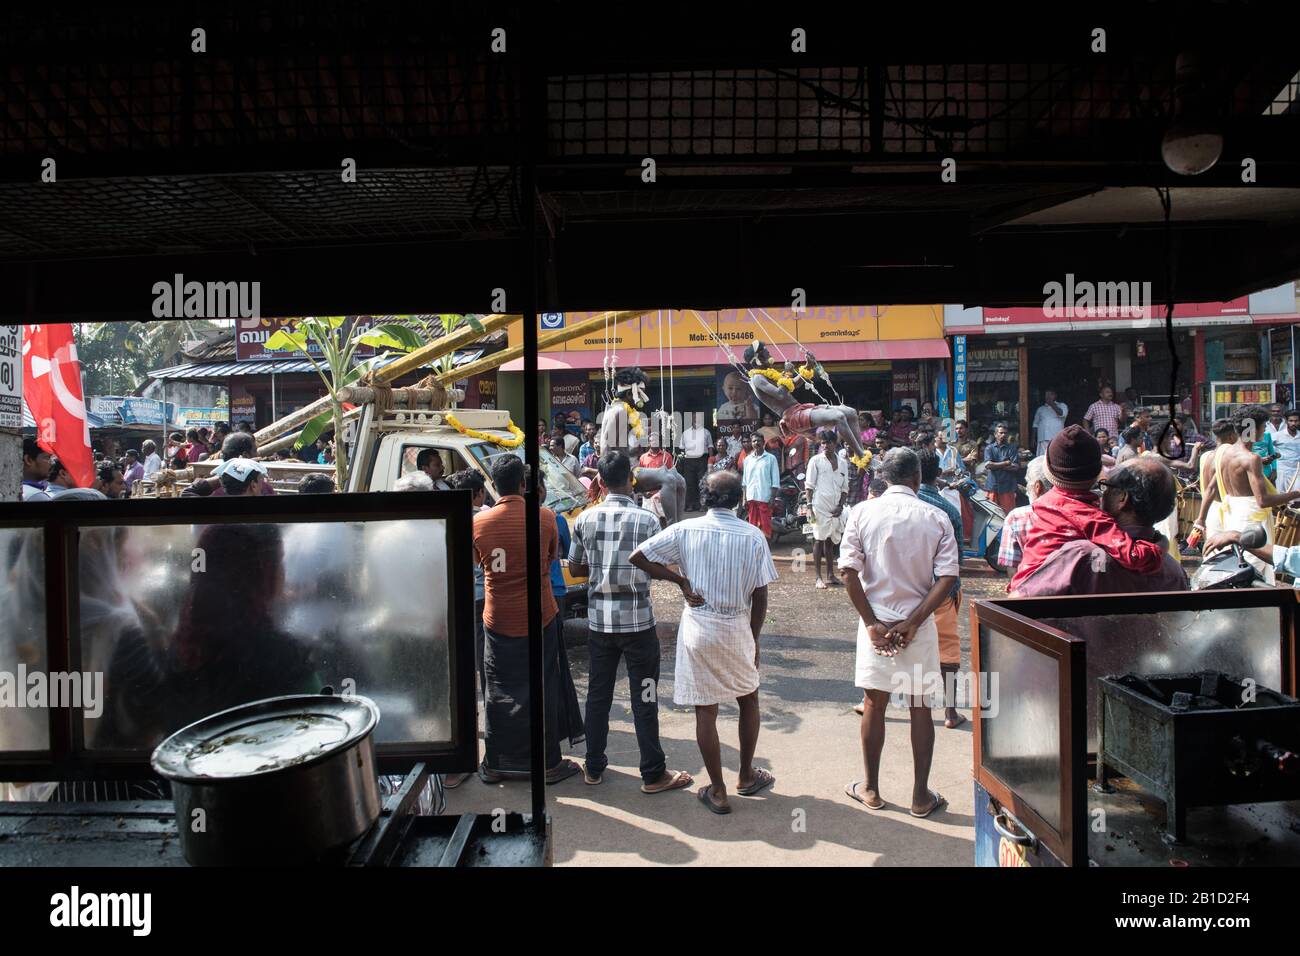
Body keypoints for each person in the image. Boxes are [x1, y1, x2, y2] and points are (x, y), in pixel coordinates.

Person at [630, 470, 779, 815]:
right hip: (737, 626)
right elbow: (760, 596)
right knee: (749, 697)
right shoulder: (753, 536)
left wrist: (679, 581)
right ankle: (745, 775)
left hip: (699, 626)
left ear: (705, 498)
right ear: (739, 499)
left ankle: (719, 790)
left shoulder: (685, 529)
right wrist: (754, 640)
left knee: (705, 708)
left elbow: (638, 556)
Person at [838, 447, 958, 818]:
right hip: (916, 627)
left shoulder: (861, 512)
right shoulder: (935, 516)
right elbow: (948, 577)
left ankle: (871, 788)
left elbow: (848, 572)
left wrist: (873, 623)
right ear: (918, 479)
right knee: (920, 707)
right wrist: (914, 621)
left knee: (875, 703)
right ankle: (920, 797)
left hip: (875, 625)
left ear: (884, 478)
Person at [566, 451, 694, 794]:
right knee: (646, 697)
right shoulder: (647, 521)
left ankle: (593, 768)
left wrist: (600, 565)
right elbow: (661, 563)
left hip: (600, 624)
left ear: (600, 482)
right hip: (638, 624)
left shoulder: (584, 519)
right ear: (631, 478)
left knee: (597, 697)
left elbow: (576, 569)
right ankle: (653, 774)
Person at [473, 455, 584, 784]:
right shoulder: (546, 517)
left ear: (493, 485)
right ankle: (548, 763)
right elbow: (552, 558)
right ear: (524, 485)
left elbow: (480, 565)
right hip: (541, 616)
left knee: (498, 690)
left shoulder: (478, 523)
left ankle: (496, 762)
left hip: (497, 619)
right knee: (544, 687)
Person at [1009, 426, 1169, 593]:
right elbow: (1136, 556)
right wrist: (1161, 543)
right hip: (1043, 595)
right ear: (1097, 473)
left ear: (1049, 472)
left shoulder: (1044, 503)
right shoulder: (1090, 517)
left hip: (1023, 586)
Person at [1014, 458, 1188, 595]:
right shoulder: (1174, 570)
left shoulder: (1080, 556)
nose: (1100, 496)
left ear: (1122, 498)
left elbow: (1018, 602)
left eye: (1106, 487)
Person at [1194, 407, 1300, 584]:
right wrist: (1295, 494)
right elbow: (1263, 500)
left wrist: (1200, 519)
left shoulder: (1223, 453)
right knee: (1253, 568)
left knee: (1239, 564)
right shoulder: (1251, 459)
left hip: (1232, 515)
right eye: (1263, 427)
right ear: (1252, 429)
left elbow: (1211, 488)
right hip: (1252, 520)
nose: (1265, 431)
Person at [916, 448, 965, 729]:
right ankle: (950, 713)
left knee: (890, 645)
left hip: (904, 591)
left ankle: (871, 702)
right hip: (942, 591)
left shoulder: (887, 505)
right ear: (938, 474)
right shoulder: (948, 509)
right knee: (947, 651)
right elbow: (956, 558)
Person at [805, 430, 848, 589]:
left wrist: (840, 506)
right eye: (822, 443)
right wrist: (809, 507)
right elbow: (809, 486)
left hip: (836, 507)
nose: (824, 446)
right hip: (819, 506)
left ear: (834, 443)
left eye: (827, 442)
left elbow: (845, 488)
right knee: (819, 539)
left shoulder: (842, 462)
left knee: (830, 541)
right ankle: (818, 577)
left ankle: (831, 575)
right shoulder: (815, 461)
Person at [998, 455, 1051, 575]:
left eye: (1028, 482)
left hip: (1028, 589)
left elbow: (1012, 568)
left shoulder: (1017, 517)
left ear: (1038, 487)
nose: (1027, 487)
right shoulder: (1079, 512)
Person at [741, 431, 781, 541]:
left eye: (758, 440)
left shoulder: (770, 458)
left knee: (766, 527)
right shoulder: (747, 459)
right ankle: (755, 552)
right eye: (754, 441)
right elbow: (744, 482)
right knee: (753, 527)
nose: (756, 443)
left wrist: (772, 498)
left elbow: (775, 481)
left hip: (765, 498)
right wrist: (744, 499)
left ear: (763, 442)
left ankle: (767, 552)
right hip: (751, 498)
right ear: (751, 443)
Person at [982, 421, 1020, 513]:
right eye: (1001, 433)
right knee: (992, 516)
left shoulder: (1012, 448)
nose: (1003, 435)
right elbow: (988, 465)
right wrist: (1005, 463)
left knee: (1008, 515)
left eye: (1005, 433)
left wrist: (996, 465)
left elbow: (1015, 467)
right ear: (995, 434)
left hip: (1007, 487)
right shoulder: (989, 448)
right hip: (992, 486)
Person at [677, 414, 712, 512]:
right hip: (689, 460)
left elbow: (710, 447)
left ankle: (703, 505)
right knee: (689, 483)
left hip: (702, 459)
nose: (697, 420)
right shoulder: (685, 433)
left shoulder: (706, 432)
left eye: (699, 418)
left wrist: (711, 460)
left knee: (703, 482)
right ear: (691, 419)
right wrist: (682, 462)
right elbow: (681, 449)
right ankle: (690, 505)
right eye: (695, 418)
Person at [1032, 389, 1068, 455]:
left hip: (1056, 438)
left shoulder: (1062, 405)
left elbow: (1062, 413)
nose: (1048, 397)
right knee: (1042, 459)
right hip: (1042, 439)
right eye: (1046, 395)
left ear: (1055, 395)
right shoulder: (1040, 409)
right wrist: (1033, 438)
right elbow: (1035, 424)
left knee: (1055, 457)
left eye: (1050, 394)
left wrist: (1051, 403)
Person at [1274, 408, 1300, 494]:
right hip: (1282, 470)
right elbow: (1266, 446)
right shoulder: (1277, 436)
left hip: (1297, 470)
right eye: (1291, 421)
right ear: (1286, 421)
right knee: (1282, 496)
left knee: (1296, 496)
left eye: (1296, 421)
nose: (1293, 423)